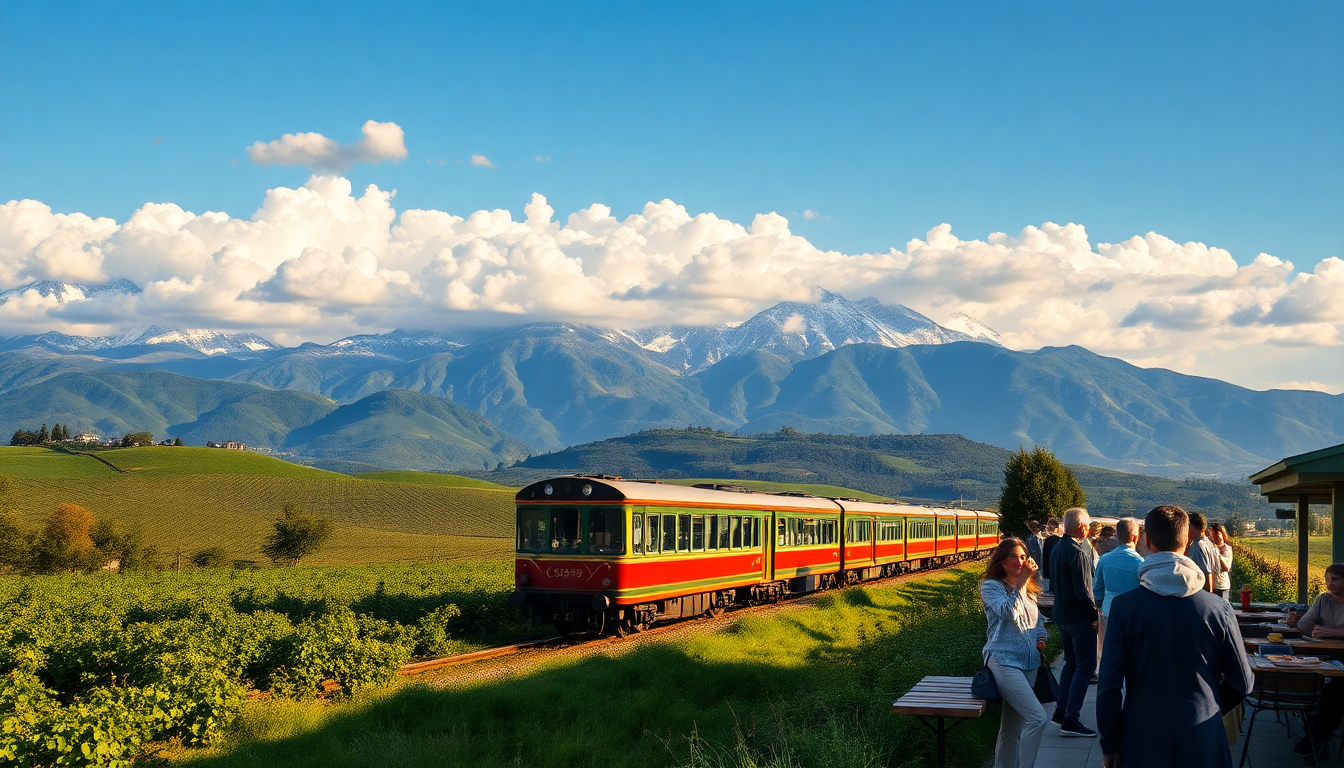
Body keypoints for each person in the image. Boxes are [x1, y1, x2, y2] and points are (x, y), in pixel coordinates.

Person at [1096, 505, 1253, 768]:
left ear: (1147, 541)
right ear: (1187, 541)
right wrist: (1208, 707)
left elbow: (1109, 685)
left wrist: (1109, 743)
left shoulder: (1125, 608)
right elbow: (1242, 682)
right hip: (1203, 734)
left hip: (1141, 735)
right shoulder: (1218, 608)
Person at [980, 538, 1050, 768]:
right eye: (1015, 557)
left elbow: (1037, 620)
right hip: (1003, 661)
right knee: (1037, 718)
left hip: (1029, 663)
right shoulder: (991, 586)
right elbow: (1007, 612)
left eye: (1023, 557)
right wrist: (1022, 581)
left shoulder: (1028, 588)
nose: (1021, 561)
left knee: (1012, 728)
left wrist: (1041, 636)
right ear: (1002, 562)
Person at [1047, 506, 1098, 737]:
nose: (1088, 529)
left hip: (1062, 614)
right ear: (1081, 527)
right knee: (1085, 666)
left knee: (1070, 664)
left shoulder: (1058, 548)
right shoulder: (1078, 552)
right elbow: (1083, 591)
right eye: (1087, 525)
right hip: (1079, 617)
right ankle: (1071, 718)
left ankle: (1060, 711)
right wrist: (1094, 615)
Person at [1290, 563, 1344, 760]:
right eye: (1327, 579)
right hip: (1326, 655)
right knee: (1309, 682)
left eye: (1335, 579)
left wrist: (1333, 632)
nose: (1330, 584)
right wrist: (1310, 627)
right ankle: (1317, 737)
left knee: (1335, 690)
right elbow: (1305, 622)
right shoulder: (1323, 600)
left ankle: (1318, 738)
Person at [1093, 517, 1143, 669]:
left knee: (1110, 654)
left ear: (1116, 535)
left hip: (1109, 611)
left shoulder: (1105, 559)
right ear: (1135, 536)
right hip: (1133, 614)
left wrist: (1099, 606)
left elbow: (1098, 589)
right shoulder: (1140, 562)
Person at [1183, 511, 1219, 593]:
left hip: (1200, 592)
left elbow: (1207, 573)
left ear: (1190, 526)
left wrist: (1208, 595)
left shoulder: (1198, 546)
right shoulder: (1209, 544)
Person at [1208, 523, 1233, 600]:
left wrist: (1217, 554)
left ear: (1222, 535)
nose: (1216, 538)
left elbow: (1227, 567)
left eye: (1218, 536)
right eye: (1213, 536)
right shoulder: (1209, 549)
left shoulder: (1226, 549)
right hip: (1211, 585)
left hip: (1221, 585)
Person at [1041, 518, 1062, 592]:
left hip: (1050, 563)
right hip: (1056, 564)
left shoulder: (1048, 540)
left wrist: (1045, 572)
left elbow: (1044, 556)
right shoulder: (1060, 540)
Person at [1025, 521, 1045, 585]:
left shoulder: (1040, 538)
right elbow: (1030, 551)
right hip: (1035, 563)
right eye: (1034, 527)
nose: (1036, 529)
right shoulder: (1030, 538)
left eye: (1037, 527)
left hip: (1040, 563)